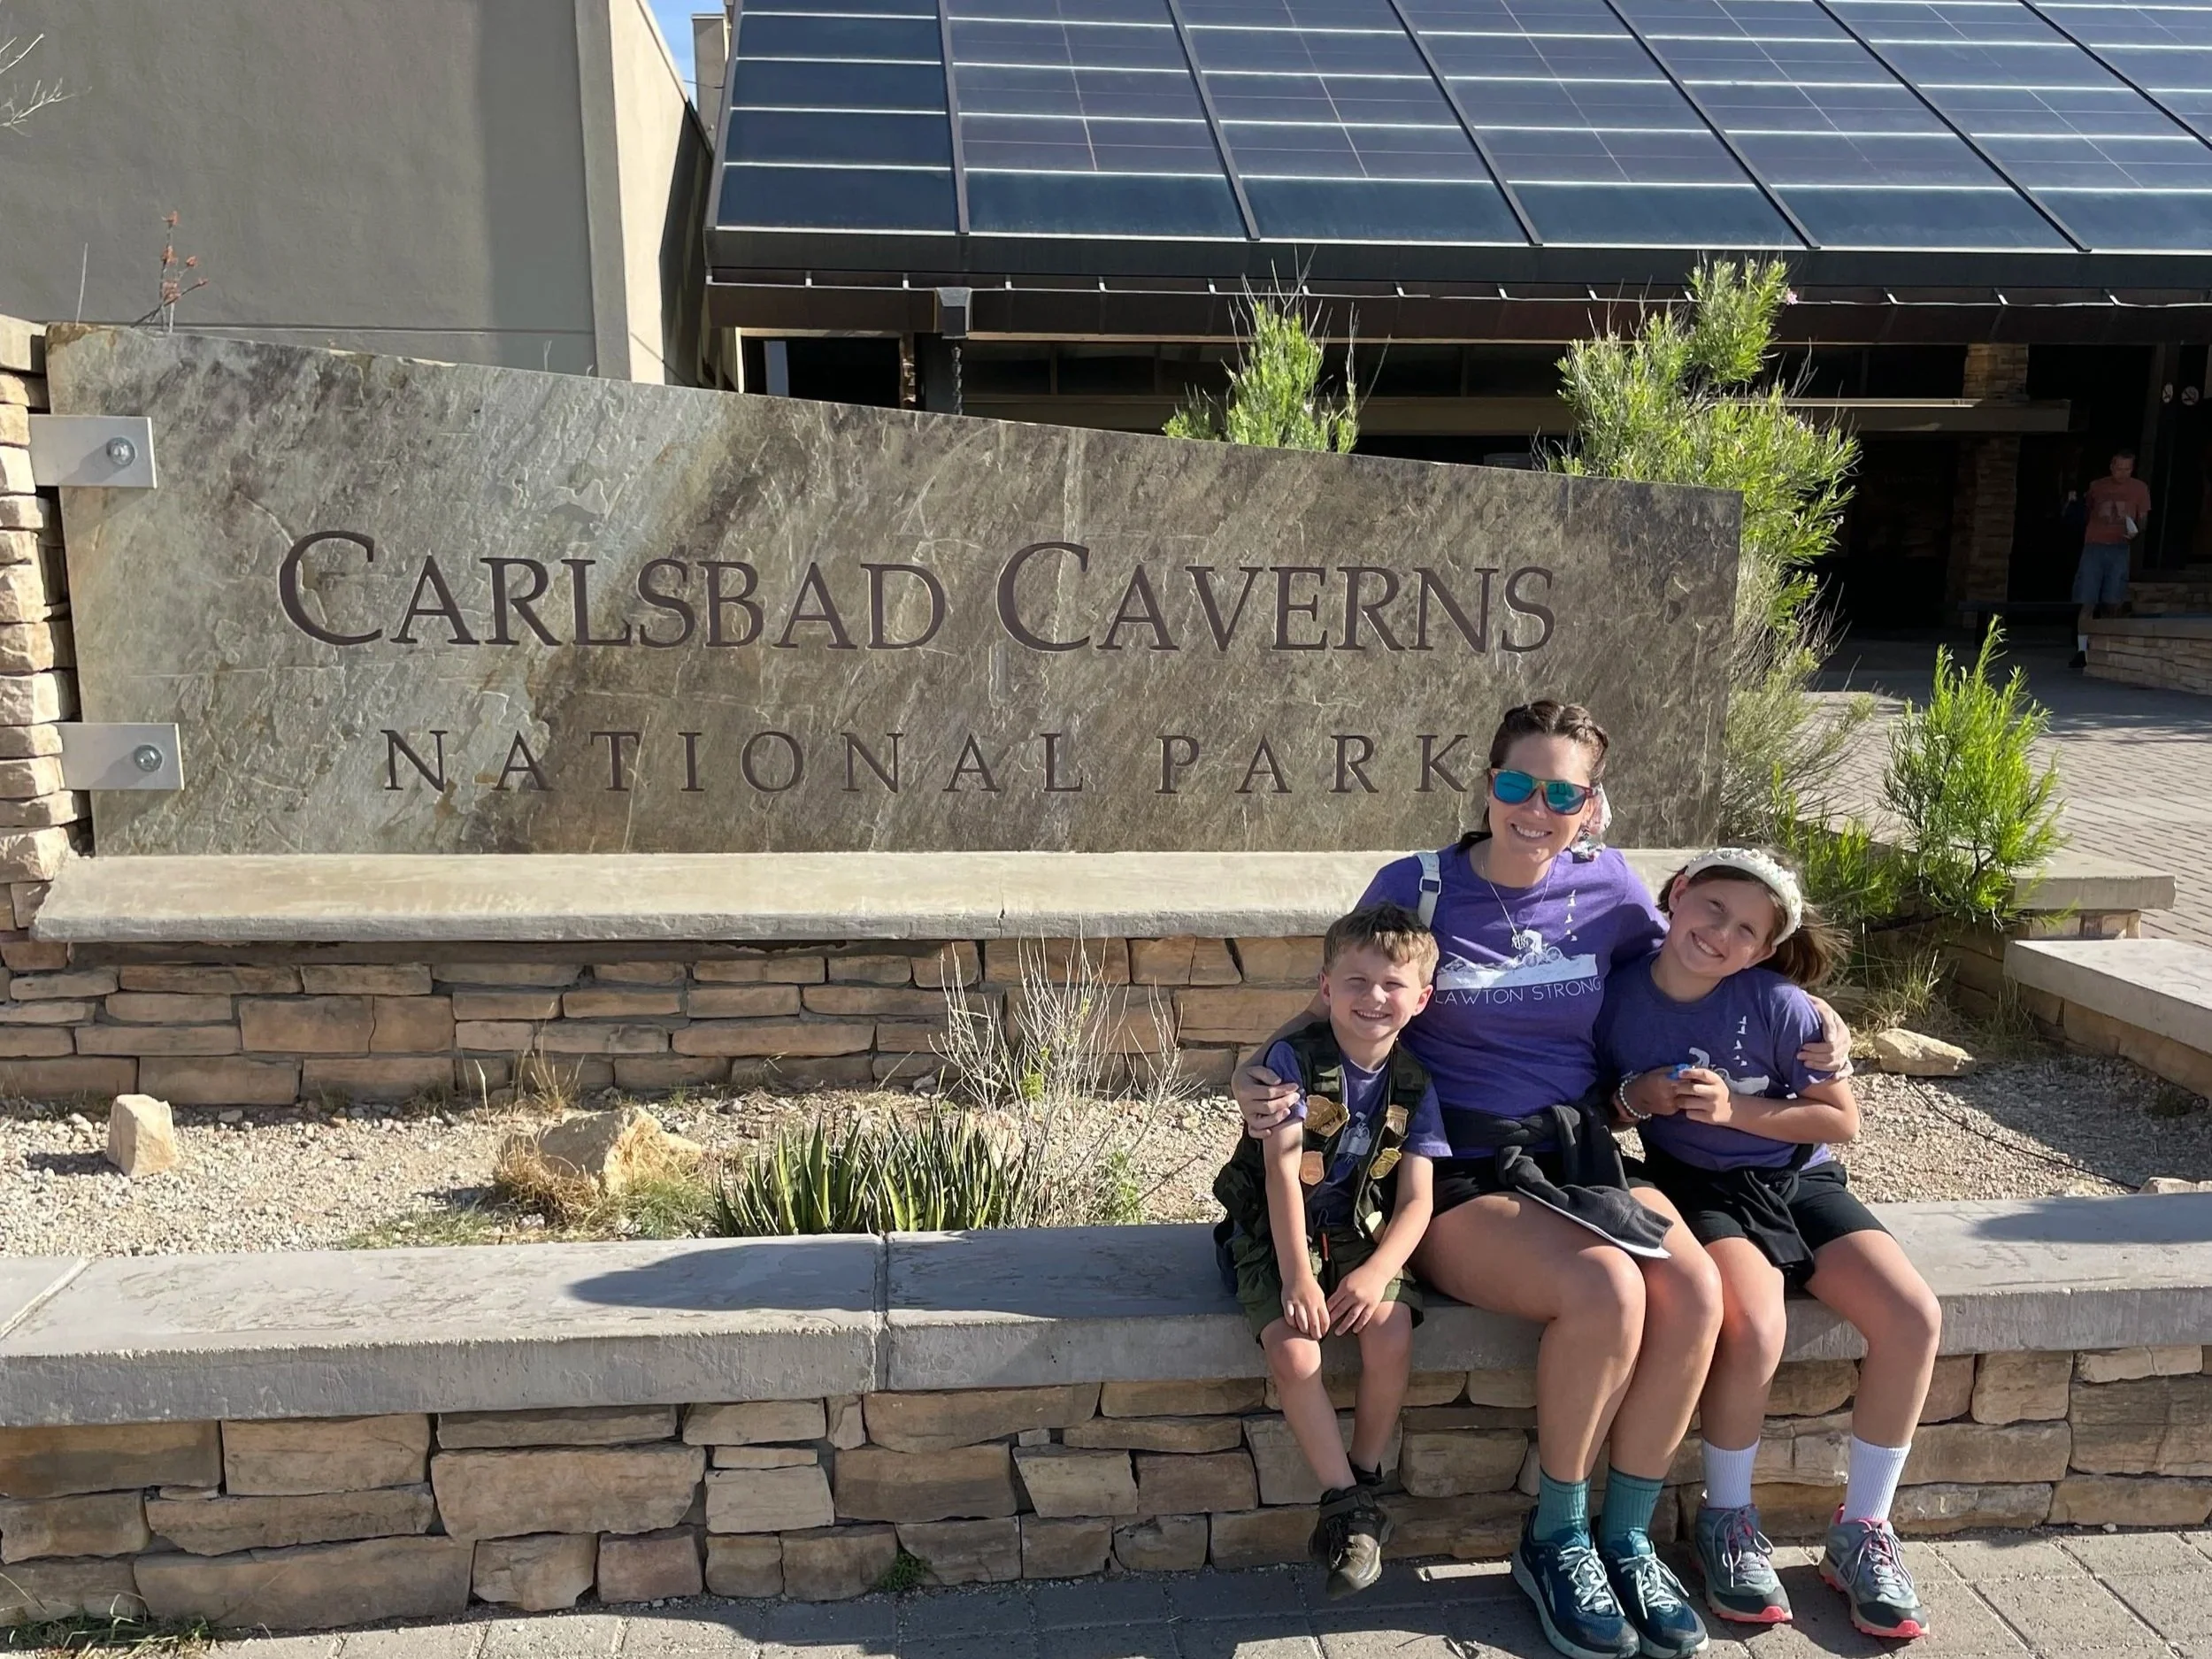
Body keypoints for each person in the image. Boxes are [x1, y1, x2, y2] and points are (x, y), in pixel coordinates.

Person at [1233, 701, 1853, 1659]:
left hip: (1580, 1148)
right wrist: (1252, 1072)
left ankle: (1625, 1538)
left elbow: (1699, 961)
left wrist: (1809, 1009)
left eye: (1562, 791)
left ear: (1590, 804)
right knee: (1605, 1290)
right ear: (1489, 785)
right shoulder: (1422, 885)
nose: (1536, 806)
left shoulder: (1608, 885)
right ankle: (1554, 1537)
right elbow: (1344, 996)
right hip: (1456, 1165)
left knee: (1691, 1293)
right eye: (1519, 783)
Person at [1600, 849, 1939, 1642]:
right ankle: (1727, 1519)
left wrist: (1736, 1114)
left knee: (1913, 1316)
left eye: (1746, 929)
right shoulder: (1618, 998)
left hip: (1800, 1182)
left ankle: (1863, 1530)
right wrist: (1637, 1097)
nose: (1720, 934)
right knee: (1754, 1324)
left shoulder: (1782, 1006)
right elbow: (1601, 1104)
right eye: (1712, 908)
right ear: (1677, 896)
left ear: (1762, 948)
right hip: (1699, 1190)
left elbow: (1838, 1118)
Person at [1212, 902, 1450, 1599]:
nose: (1372, 997)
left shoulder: (1416, 1083)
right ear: (1325, 987)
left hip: (1361, 1232)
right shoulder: (1294, 1061)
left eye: (1392, 984)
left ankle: (1364, 1484)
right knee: (1296, 1350)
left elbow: (1417, 1201)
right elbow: (1282, 1172)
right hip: (1276, 1231)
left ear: (1421, 998)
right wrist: (1297, 1278)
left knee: (1392, 1328)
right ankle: (1347, 1505)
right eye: (1355, 980)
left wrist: (1379, 1273)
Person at [2072, 449, 2150, 670]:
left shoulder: (2140, 489)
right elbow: (2086, 511)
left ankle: (2108, 649)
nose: (2122, 473)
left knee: (2113, 599)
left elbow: (2143, 518)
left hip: (2119, 546)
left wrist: (2136, 533)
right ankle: (2081, 650)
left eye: (2127, 469)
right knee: (2087, 598)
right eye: (2119, 468)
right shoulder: (2098, 486)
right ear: (2111, 466)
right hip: (2095, 545)